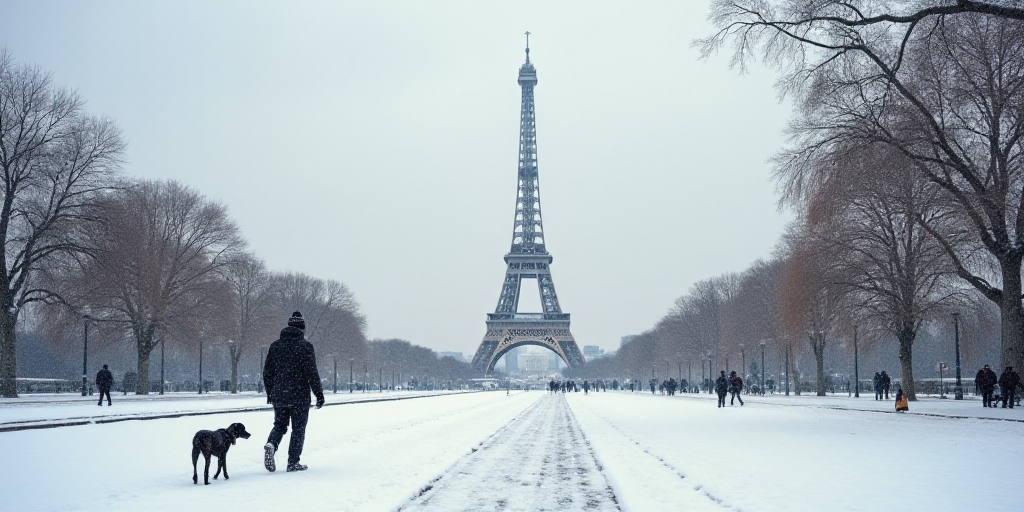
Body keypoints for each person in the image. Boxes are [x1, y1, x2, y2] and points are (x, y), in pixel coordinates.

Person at [263, 312, 325, 473]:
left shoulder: (275, 346)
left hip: (279, 394)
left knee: (280, 425)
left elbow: (267, 372)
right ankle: (293, 462)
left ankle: (271, 444)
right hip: (299, 395)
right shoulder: (305, 347)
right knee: (298, 429)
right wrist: (319, 394)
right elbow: (312, 373)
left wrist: (271, 392)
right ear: (302, 329)